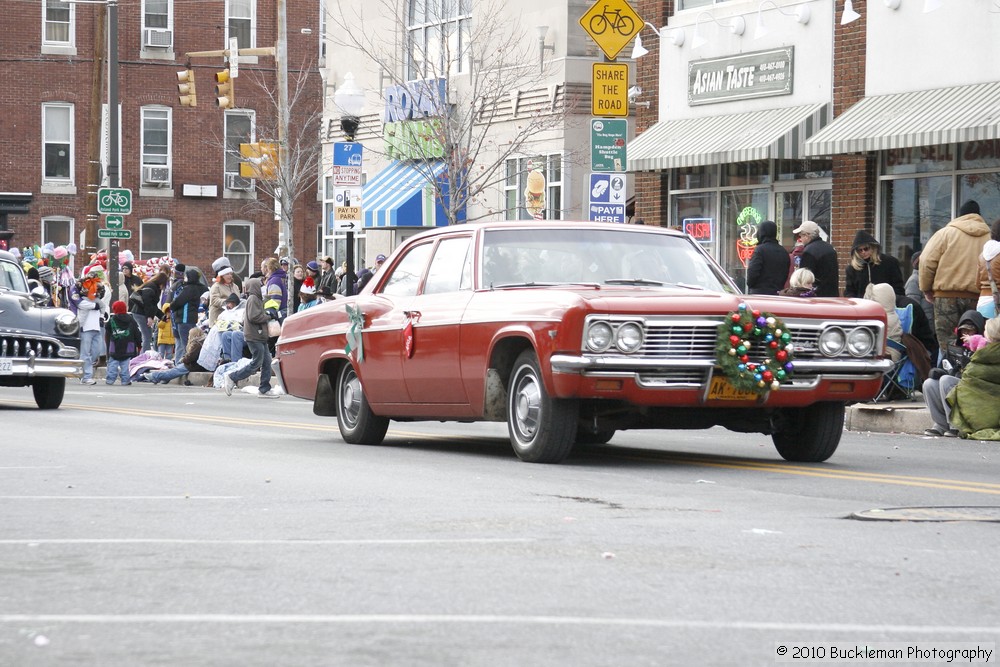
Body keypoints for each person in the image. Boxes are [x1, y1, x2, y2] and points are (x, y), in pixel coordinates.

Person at [919, 200, 990, 355]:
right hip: (978, 299)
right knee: (976, 342)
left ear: (960, 216)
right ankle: (970, 374)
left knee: (947, 342)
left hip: (946, 297)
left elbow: (926, 261)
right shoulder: (990, 237)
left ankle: (947, 374)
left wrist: (926, 288)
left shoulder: (945, 234)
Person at [936, 317, 1000, 440]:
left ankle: (956, 426)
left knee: (946, 381)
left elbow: (971, 376)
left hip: (983, 397)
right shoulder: (984, 349)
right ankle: (941, 425)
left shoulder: (985, 352)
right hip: (975, 389)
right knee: (930, 384)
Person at [223, 276, 279, 398]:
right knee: (256, 363)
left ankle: (264, 389)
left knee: (266, 362)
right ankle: (232, 377)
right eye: (260, 285)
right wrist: (268, 316)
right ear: (255, 287)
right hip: (254, 336)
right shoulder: (253, 299)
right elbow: (254, 317)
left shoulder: (255, 299)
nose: (262, 287)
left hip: (259, 335)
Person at [843, 230, 904, 298]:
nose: (863, 252)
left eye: (866, 249)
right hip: (862, 305)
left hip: (885, 304)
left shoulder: (889, 262)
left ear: (872, 247)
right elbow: (849, 291)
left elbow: (898, 287)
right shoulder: (852, 269)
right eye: (859, 250)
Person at [143, 327, 209, 385]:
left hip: (192, 365)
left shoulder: (197, 344)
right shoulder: (202, 343)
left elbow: (190, 357)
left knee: (173, 371)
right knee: (173, 370)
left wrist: (182, 360)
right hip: (196, 365)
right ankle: (163, 379)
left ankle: (155, 376)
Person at [76, 272, 108, 386]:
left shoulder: (98, 301)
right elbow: (83, 306)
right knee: (85, 353)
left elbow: (101, 309)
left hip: (96, 329)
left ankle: (83, 371)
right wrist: (95, 306)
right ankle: (86, 376)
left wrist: (101, 316)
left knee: (96, 351)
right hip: (86, 329)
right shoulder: (83, 301)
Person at [792, 220, 839, 297]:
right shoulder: (830, 248)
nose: (800, 239)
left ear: (807, 236)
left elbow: (804, 278)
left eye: (800, 236)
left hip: (816, 296)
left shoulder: (808, 251)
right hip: (832, 294)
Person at [169, 268, 204, 365]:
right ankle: (180, 363)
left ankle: (184, 364)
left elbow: (177, 302)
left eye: (185, 276)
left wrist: (171, 306)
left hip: (184, 318)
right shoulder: (201, 288)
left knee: (185, 344)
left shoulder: (188, 289)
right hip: (192, 318)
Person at [745, 220, 790, 295]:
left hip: (759, 294)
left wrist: (751, 285)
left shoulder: (759, 250)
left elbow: (752, 273)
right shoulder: (783, 251)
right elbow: (785, 273)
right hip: (778, 293)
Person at [104, 300, 142, 385]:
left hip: (115, 345)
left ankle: (110, 379)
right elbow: (137, 333)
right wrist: (139, 344)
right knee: (125, 364)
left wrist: (108, 344)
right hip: (129, 346)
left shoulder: (112, 320)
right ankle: (125, 380)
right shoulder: (131, 319)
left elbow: (107, 332)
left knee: (113, 363)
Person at [128, 272, 168, 352]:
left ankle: (144, 354)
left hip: (139, 312)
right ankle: (144, 356)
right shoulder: (152, 287)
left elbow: (152, 306)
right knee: (147, 336)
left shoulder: (151, 286)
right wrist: (149, 317)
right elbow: (148, 303)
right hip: (141, 313)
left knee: (147, 335)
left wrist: (162, 316)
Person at [975, 218, 1000, 318]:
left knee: (986, 333)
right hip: (998, 303)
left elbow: (977, 283)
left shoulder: (982, 255)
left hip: (983, 303)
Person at [905, 251, 934, 331]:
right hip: (924, 325)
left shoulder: (928, 279)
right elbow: (913, 305)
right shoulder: (914, 280)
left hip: (931, 323)